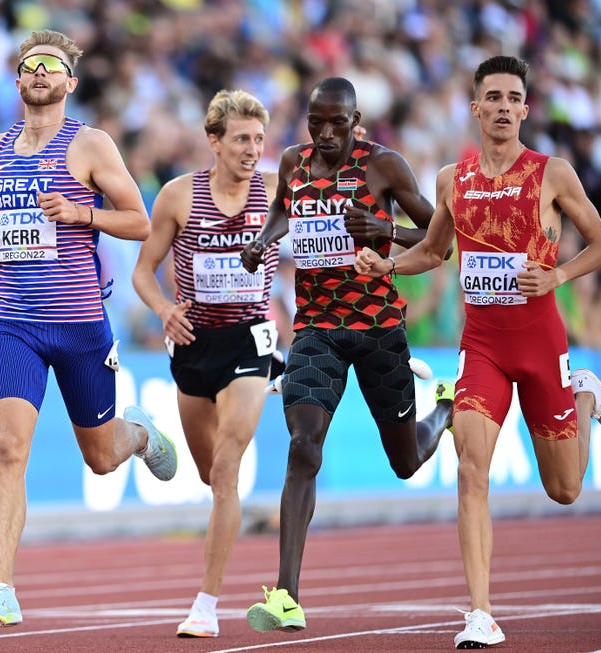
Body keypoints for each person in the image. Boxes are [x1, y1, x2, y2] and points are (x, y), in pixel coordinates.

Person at [0, 29, 177, 632]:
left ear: (69, 83)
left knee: (102, 458)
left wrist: (80, 212)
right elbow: (7, 223)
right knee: (9, 449)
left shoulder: (89, 145)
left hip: (81, 322)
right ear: (17, 80)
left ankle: (138, 434)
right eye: (31, 65)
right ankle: (1, 588)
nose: (40, 73)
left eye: (51, 67)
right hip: (16, 321)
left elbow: (140, 222)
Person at [354, 55, 601, 649]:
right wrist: (388, 263)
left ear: (524, 108)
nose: (501, 106)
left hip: (541, 341)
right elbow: (434, 252)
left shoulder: (554, 174)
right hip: (483, 347)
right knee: (472, 473)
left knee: (565, 489)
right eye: (491, 96)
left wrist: (559, 276)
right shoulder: (452, 178)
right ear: (475, 107)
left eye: (512, 98)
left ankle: (588, 397)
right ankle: (479, 613)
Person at [238, 76, 455, 634]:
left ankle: (445, 411)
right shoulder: (293, 161)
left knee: (405, 464)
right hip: (316, 330)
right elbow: (284, 212)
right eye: (317, 123)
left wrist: (386, 229)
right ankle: (287, 594)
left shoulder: (384, 166)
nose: (327, 133)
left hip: (379, 328)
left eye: (338, 123)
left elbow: (440, 237)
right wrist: (264, 241)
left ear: (357, 121)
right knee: (303, 446)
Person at [131, 89, 279, 638]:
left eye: (259, 139)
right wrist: (166, 309)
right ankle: (147, 439)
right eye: (241, 138)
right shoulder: (178, 197)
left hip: (248, 342)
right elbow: (143, 272)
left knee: (225, 473)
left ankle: (206, 604)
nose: (252, 149)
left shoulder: (275, 194)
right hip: (193, 345)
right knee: (205, 473)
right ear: (214, 141)